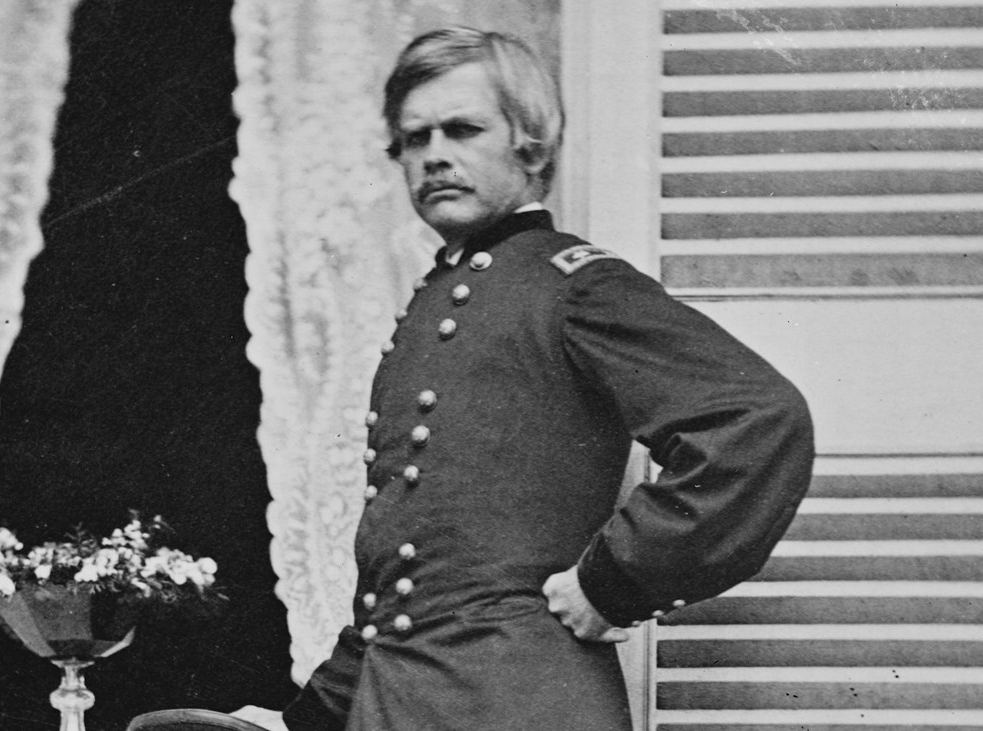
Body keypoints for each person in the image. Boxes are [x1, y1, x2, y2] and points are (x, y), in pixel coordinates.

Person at [281, 26, 815, 731]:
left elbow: (757, 419)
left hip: (521, 700)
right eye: (415, 139)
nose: (435, 155)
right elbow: (410, 576)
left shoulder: (574, 285)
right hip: (402, 702)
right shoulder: (431, 305)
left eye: (463, 129)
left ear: (528, 142)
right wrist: (309, 716)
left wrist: (610, 583)